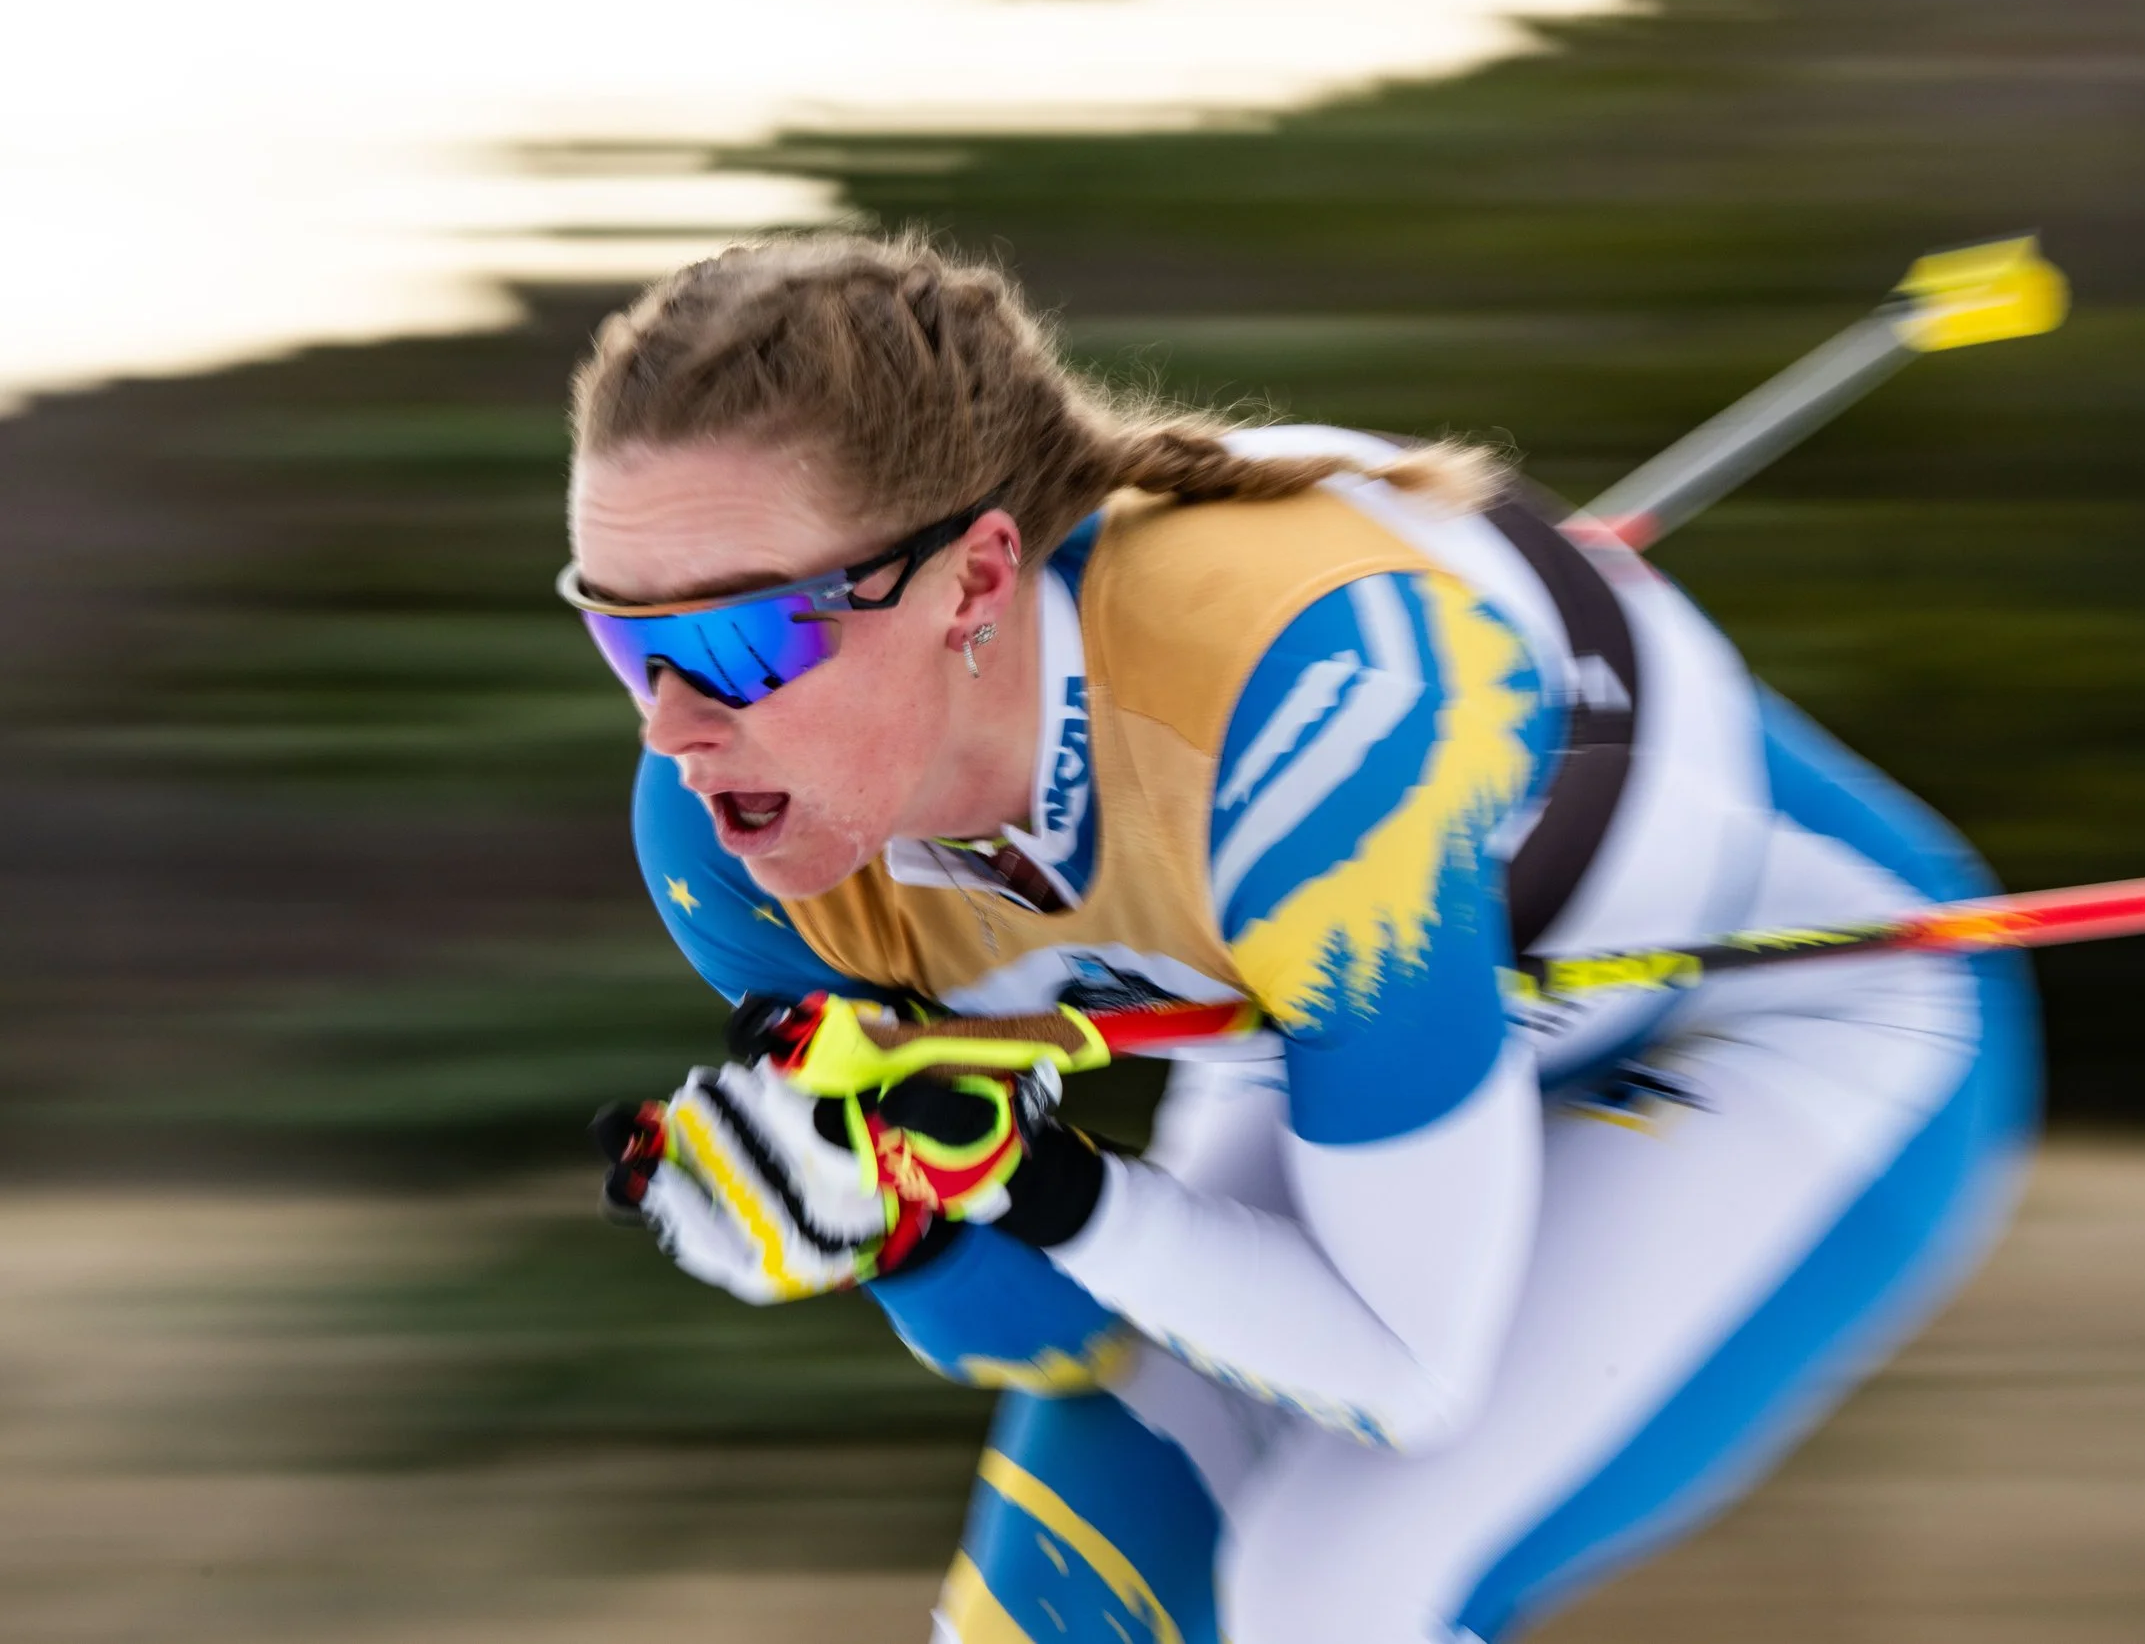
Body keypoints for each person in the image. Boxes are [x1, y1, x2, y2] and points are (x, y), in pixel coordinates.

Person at [561, 232, 2039, 1644]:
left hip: (1792, 1021)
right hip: (1322, 1019)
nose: (676, 728)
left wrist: (1031, 1177)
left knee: (1333, 1587)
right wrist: (887, 1225)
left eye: (742, 640)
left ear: (979, 580)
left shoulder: (1306, 728)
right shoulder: (736, 840)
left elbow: (1398, 1369)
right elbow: (1051, 1343)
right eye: (624, 641)